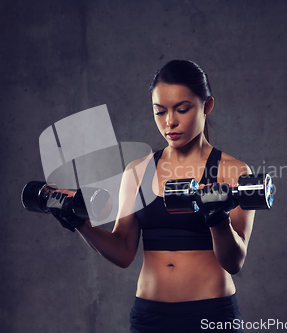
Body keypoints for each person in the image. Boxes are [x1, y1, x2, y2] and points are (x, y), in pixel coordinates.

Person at [48, 60, 255, 332]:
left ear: (207, 106)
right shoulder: (138, 171)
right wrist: (79, 223)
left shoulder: (233, 171)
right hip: (150, 317)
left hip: (211, 315)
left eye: (182, 109)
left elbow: (234, 262)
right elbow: (123, 251)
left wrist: (217, 218)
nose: (170, 122)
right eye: (160, 112)